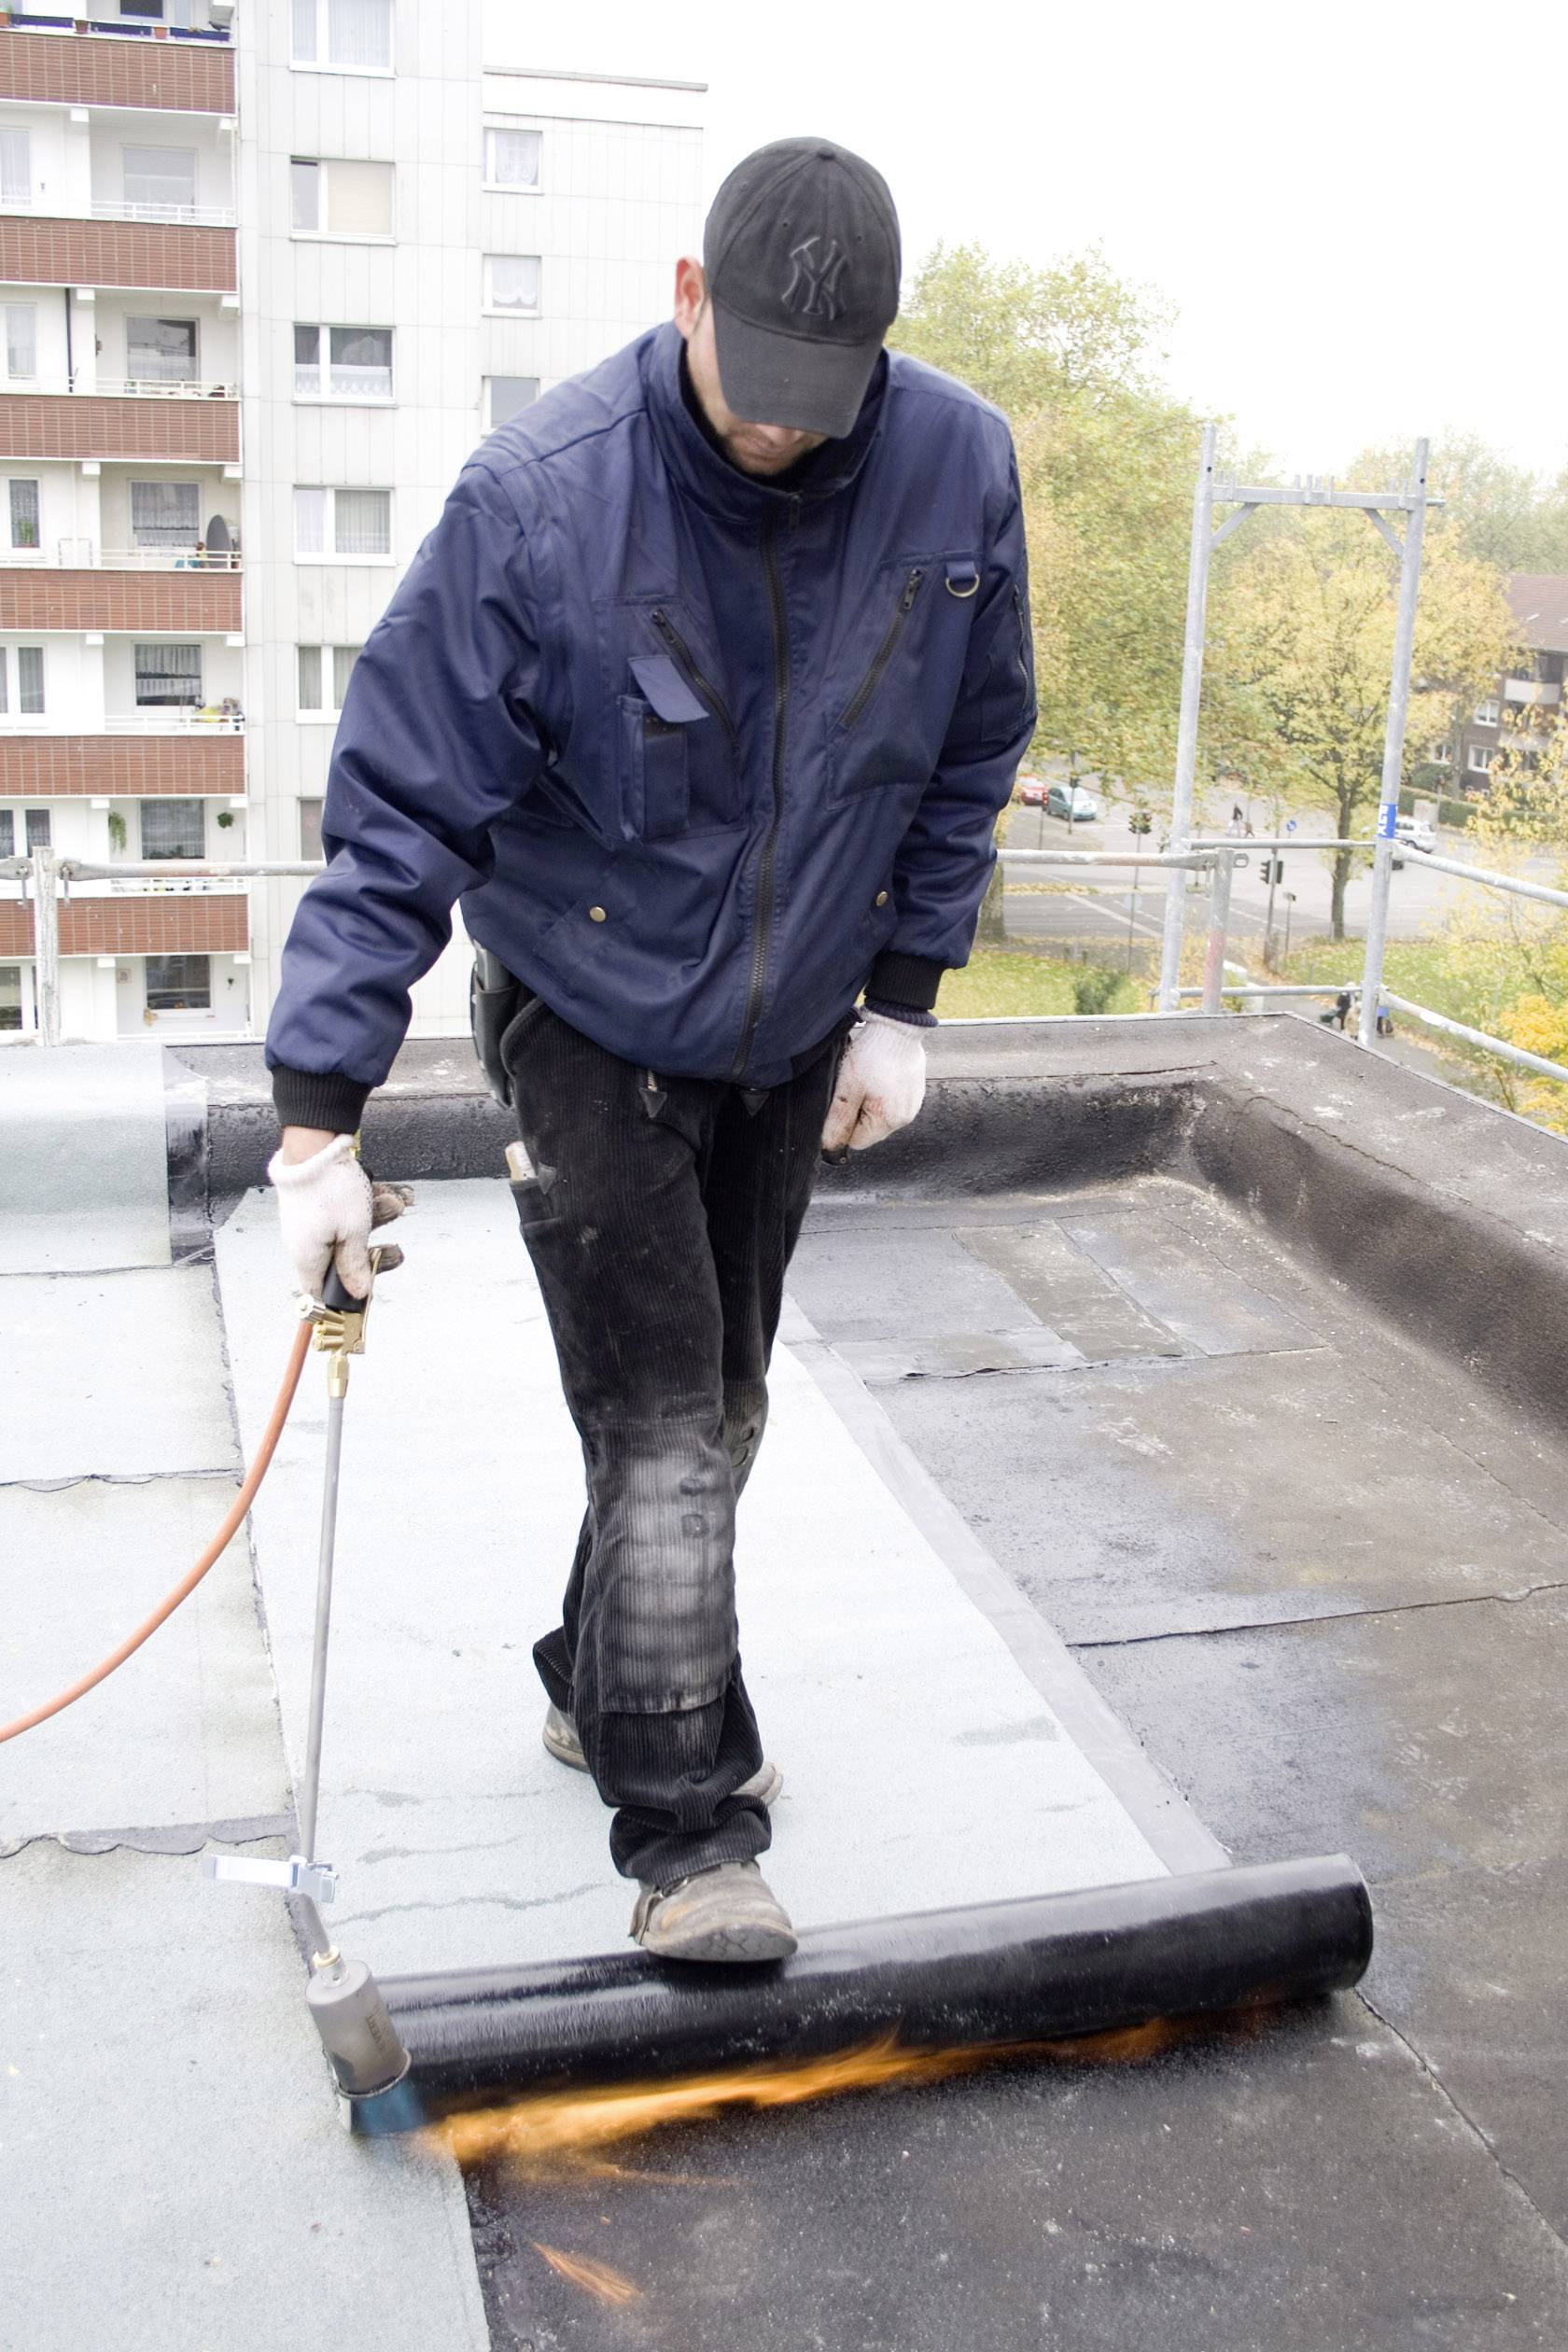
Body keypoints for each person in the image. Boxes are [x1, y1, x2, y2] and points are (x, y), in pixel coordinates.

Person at [263, 138, 1036, 1965]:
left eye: (818, 406)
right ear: (688, 297)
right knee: (670, 1428)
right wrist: (315, 1127)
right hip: (586, 1012)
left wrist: (904, 998)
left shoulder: (950, 467)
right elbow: (397, 817)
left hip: (788, 1024)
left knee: (724, 1407)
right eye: (754, 396)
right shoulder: (545, 504)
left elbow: (971, 741)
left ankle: (587, 1672)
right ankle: (684, 1831)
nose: (780, 438)